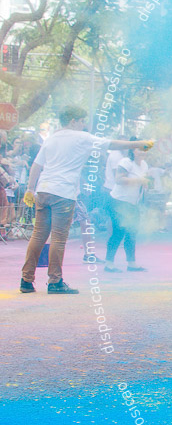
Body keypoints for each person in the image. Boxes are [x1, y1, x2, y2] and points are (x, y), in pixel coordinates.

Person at [19, 107, 152, 294]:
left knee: (38, 235)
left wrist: (30, 189)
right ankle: (55, 281)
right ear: (73, 121)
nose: (84, 124)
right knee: (58, 238)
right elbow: (111, 144)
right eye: (82, 121)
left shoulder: (51, 139)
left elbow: (36, 165)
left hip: (43, 190)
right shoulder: (82, 137)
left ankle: (26, 280)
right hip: (63, 193)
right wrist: (139, 143)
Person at [104, 141, 150, 273]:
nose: (142, 152)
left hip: (132, 203)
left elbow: (142, 182)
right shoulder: (125, 162)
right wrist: (139, 181)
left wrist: (145, 185)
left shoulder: (144, 165)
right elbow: (119, 179)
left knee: (132, 232)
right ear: (133, 150)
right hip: (118, 202)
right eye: (140, 149)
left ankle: (131, 263)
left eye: (145, 150)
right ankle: (109, 263)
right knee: (118, 232)